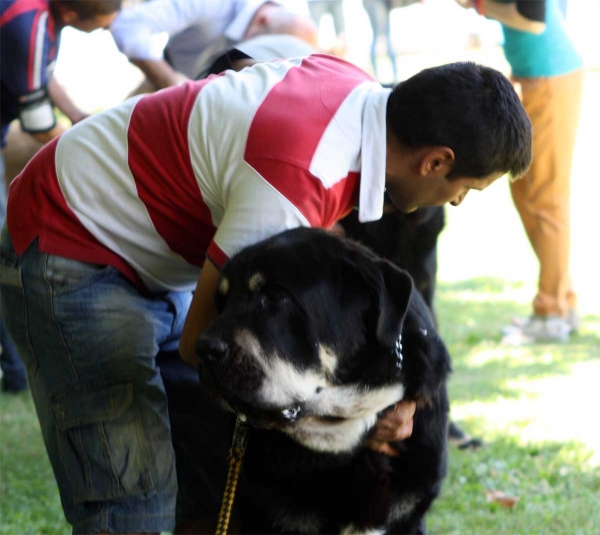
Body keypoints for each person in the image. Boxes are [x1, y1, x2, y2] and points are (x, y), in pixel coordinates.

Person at [0, 54, 531, 532]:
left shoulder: (356, 93)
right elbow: (205, 349)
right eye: (467, 188)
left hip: (151, 251)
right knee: (131, 495)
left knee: (207, 469)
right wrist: (353, 418)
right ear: (436, 161)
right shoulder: (296, 179)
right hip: (73, 236)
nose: (458, 202)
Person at [0, 0, 122, 393]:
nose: (105, 32)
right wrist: (87, 147)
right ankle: (16, 369)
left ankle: (15, 370)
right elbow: (38, 123)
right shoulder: (28, 27)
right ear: (72, 15)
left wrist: (79, 116)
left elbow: (38, 76)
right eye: (103, 26)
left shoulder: (39, 17)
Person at [457, 0, 584, 342]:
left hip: (552, 79)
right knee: (525, 190)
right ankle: (562, 299)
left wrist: (479, 5)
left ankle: (551, 314)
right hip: (535, 77)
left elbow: (534, 21)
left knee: (547, 198)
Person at [110, 0, 318, 91]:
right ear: (263, 20)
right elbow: (128, 26)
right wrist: (173, 86)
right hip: (168, 78)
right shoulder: (214, 4)